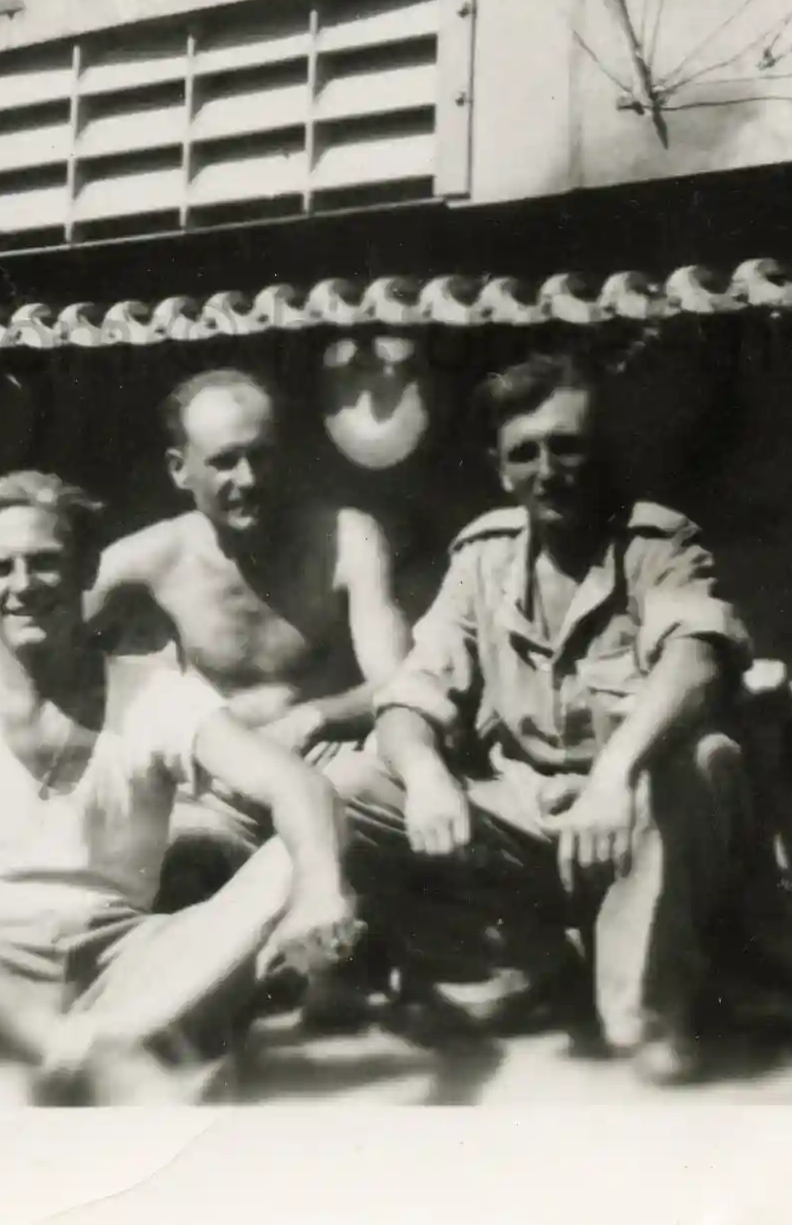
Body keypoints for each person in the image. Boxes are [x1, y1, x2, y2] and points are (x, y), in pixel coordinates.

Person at [0, 472, 362, 1101]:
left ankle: (78, 1054)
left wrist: (319, 891)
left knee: (304, 849)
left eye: (45, 563)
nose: (24, 586)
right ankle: (91, 1054)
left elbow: (297, 785)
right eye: (1, 569)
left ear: (88, 570)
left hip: (134, 967)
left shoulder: (156, 696)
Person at [322, 352, 753, 1084]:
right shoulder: (482, 558)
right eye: (525, 452)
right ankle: (512, 960)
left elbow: (698, 660)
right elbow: (409, 692)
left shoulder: (656, 545)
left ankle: (642, 1011)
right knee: (356, 780)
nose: (548, 469)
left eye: (567, 445)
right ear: (500, 469)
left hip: (632, 823)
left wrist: (616, 773)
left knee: (700, 759)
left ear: (600, 450)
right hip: (531, 823)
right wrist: (426, 775)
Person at [87, 368, 411, 903]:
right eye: (224, 461)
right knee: (160, 861)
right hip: (218, 796)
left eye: (261, 456)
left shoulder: (346, 538)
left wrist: (315, 716)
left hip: (331, 774)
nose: (249, 479)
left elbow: (397, 684)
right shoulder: (152, 559)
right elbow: (35, 642)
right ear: (179, 469)